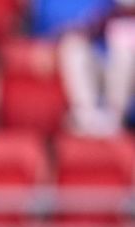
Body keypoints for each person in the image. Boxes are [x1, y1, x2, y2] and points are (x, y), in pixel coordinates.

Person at [55, 0, 135, 135]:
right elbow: (81, 30)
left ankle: (114, 117)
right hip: (104, 73)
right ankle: (87, 115)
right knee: (74, 47)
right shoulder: (107, 11)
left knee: (126, 53)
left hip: (127, 97)